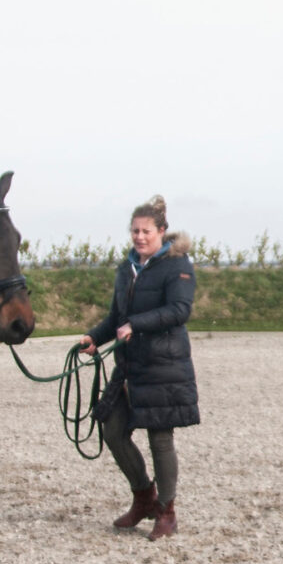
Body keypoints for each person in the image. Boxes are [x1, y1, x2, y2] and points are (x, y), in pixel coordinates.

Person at [77, 194, 198, 540]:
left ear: (162, 231)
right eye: (135, 231)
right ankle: (144, 496)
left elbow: (179, 310)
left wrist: (137, 324)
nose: (140, 237)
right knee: (112, 431)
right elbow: (117, 317)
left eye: (146, 231)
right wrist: (94, 337)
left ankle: (167, 512)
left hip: (163, 366)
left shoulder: (178, 266)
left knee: (160, 439)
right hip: (130, 367)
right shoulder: (125, 269)